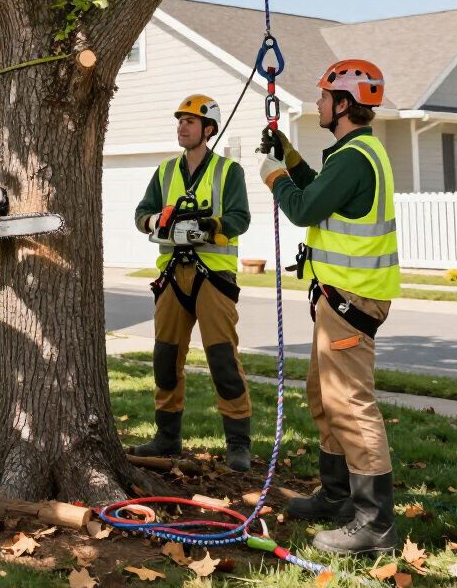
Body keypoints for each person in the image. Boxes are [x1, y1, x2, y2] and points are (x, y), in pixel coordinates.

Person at [258, 59, 399, 556]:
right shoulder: (353, 154)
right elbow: (321, 192)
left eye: (323, 97)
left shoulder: (355, 157)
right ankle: (339, 496)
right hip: (340, 297)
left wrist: (275, 176)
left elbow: (302, 208)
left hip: (351, 299)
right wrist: (292, 160)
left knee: (350, 404)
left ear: (343, 105)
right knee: (325, 397)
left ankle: (374, 522)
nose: (317, 103)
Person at [132, 94, 253, 471]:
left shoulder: (227, 172)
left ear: (209, 129)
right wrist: (158, 223)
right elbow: (141, 214)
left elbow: (240, 218)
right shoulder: (166, 171)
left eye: (190, 121)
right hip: (172, 276)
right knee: (165, 357)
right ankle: (167, 437)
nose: (182, 126)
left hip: (213, 277)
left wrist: (208, 226)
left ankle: (238, 443)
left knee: (222, 358)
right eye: (180, 120)